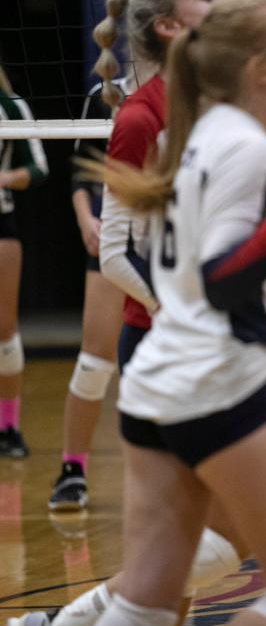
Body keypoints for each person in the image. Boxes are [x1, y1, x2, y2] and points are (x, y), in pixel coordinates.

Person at [6, 0, 266, 626]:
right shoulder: (138, 115)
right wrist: (188, 310)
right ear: (167, 24)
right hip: (166, 343)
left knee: (203, 538)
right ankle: (64, 618)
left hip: (215, 342)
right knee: (216, 534)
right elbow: (116, 255)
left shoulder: (217, 106)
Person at [82, 0, 266, 626]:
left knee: (146, 604)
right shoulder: (241, 150)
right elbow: (222, 279)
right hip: (214, 383)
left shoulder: (189, 136)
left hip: (154, 381)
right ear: (259, 68)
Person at [47, 45, 156, 510]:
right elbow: (79, 173)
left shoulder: (197, 94)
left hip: (166, 245)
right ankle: (72, 469)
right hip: (116, 238)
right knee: (95, 361)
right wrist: (84, 220)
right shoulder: (106, 97)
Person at [0, 63, 48, 458]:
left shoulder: (11, 106)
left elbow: (39, 167)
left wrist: (4, 178)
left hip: (1, 221)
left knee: (4, 326)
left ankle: (9, 427)